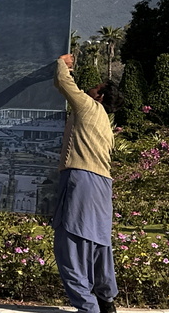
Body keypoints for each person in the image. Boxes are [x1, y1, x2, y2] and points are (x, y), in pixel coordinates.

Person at [52, 53, 124, 313]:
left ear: (100, 96)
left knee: (70, 246)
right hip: (103, 185)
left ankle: (87, 307)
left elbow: (63, 82)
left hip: (81, 180)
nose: (89, 89)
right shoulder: (106, 123)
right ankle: (106, 301)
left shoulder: (88, 106)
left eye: (95, 87)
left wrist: (62, 63)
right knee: (98, 245)